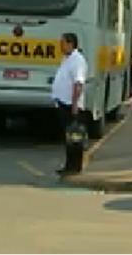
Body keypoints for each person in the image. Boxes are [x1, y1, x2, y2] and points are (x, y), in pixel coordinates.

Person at [51, 32, 87, 177]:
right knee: (69, 136)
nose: (60, 46)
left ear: (70, 44)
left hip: (70, 105)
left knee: (74, 137)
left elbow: (78, 84)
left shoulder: (77, 60)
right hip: (64, 103)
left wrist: (74, 104)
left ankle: (74, 166)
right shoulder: (68, 59)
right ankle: (69, 165)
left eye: (63, 43)